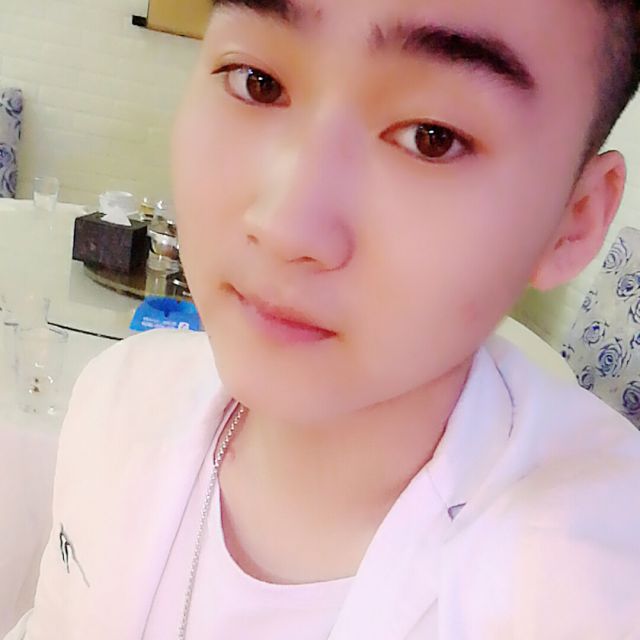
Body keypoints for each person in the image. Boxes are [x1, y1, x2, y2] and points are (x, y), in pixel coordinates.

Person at [6, 0, 640, 638]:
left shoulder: (590, 593)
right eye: (258, 82)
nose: (285, 226)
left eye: (432, 138)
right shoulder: (116, 401)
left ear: (574, 219)